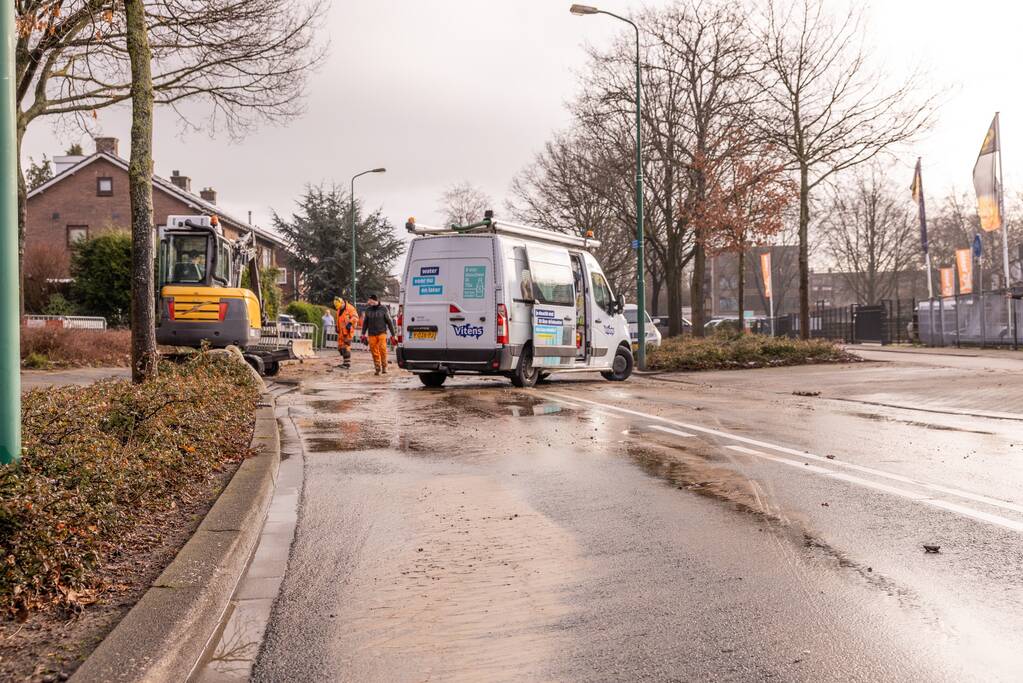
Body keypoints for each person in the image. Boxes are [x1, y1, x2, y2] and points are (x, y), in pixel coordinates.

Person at [360, 294, 397, 375]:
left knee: (382, 349)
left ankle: (384, 366)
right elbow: (365, 323)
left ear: (373, 300)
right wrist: (363, 334)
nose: (368, 302)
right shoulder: (368, 310)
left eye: (369, 300)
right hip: (371, 334)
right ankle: (377, 367)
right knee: (374, 351)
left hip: (382, 333)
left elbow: (389, 322)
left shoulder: (384, 309)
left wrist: (393, 334)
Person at [333, 296, 359, 369]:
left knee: (346, 347)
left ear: (342, 303)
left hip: (348, 331)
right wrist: (336, 327)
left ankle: (347, 364)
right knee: (340, 348)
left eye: (340, 306)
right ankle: (345, 362)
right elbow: (338, 319)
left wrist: (350, 323)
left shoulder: (350, 308)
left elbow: (355, 317)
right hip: (341, 331)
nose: (339, 308)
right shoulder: (339, 310)